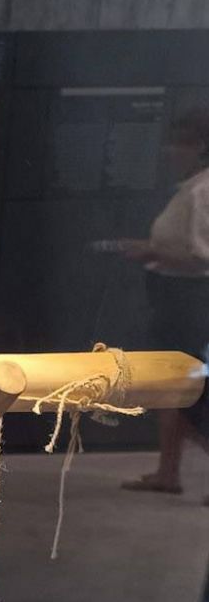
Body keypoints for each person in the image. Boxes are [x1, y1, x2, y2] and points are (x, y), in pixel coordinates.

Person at [120, 111, 209, 496]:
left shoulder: (201, 191)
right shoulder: (192, 189)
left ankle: (169, 471)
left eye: (179, 142)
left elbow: (202, 259)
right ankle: (167, 472)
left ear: (200, 147)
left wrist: (151, 252)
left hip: (190, 303)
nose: (170, 151)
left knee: (188, 390)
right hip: (177, 300)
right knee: (175, 388)